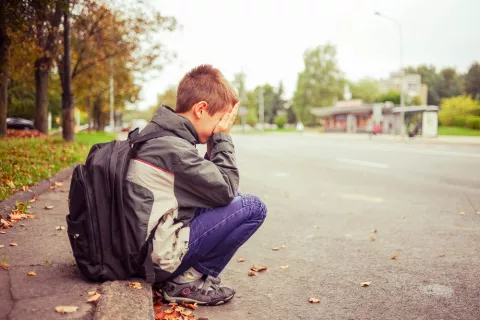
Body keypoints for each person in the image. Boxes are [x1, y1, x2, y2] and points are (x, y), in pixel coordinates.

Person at [123, 65, 267, 306]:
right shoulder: (174, 149)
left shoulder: (161, 138)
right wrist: (222, 139)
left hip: (145, 250)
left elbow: (209, 190)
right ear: (201, 109)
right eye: (221, 119)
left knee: (236, 203)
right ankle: (185, 282)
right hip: (157, 259)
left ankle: (186, 277)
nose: (222, 127)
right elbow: (226, 189)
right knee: (252, 207)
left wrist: (214, 144)